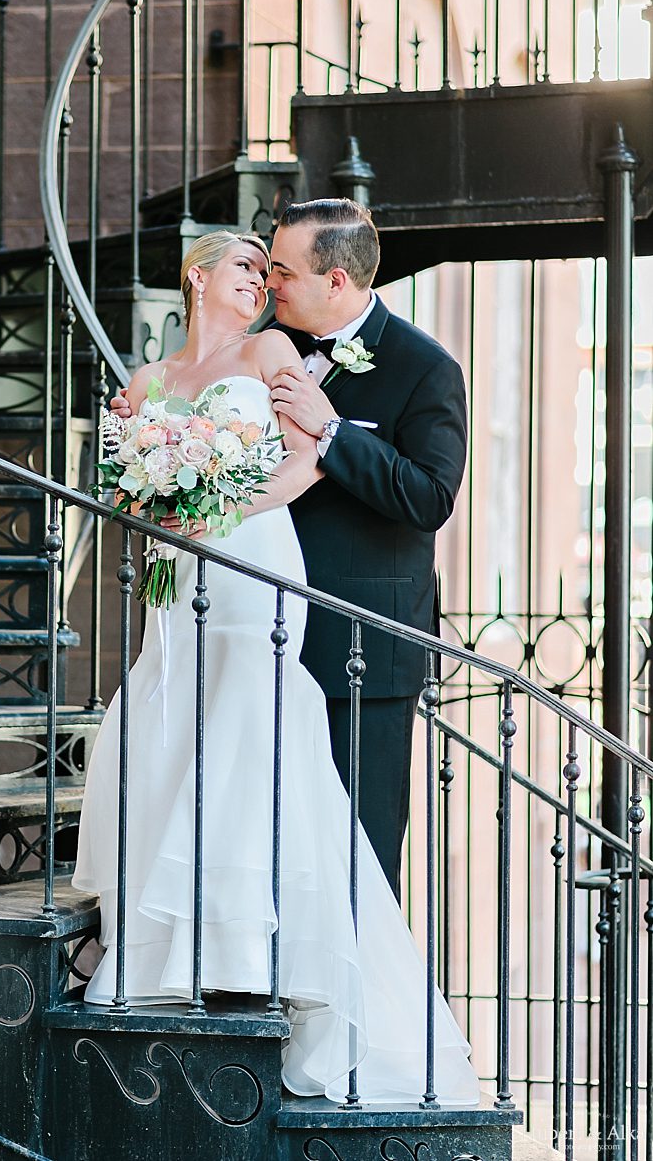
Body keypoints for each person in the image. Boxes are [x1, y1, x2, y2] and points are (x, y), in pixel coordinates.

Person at [73, 230, 478, 1105]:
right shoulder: (148, 380)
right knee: (174, 727)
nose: (263, 281)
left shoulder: (275, 354)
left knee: (256, 741)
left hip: (254, 561)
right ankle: (168, 946)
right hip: (179, 574)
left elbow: (307, 463)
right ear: (197, 276)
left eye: (274, 269)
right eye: (250, 266)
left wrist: (218, 510)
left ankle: (267, 965)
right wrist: (152, 495)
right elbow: (124, 484)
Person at [265, 199, 468, 900]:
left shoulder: (425, 368)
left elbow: (430, 497)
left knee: (359, 857)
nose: (269, 282)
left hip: (364, 655)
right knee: (271, 845)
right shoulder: (268, 346)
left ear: (336, 281)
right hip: (264, 635)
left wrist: (333, 435)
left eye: (283, 270)